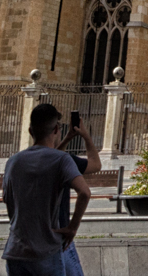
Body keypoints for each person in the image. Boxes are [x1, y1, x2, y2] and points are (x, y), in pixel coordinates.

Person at [2, 103, 92, 276]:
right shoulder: (61, 159)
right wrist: (72, 227)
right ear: (56, 129)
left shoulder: (13, 162)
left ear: (30, 131)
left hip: (16, 250)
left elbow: (7, 198)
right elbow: (84, 192)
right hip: (46, 250)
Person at [56, 115, 100, 276]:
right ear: (56, 130)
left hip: (26, 241)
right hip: (58, 236)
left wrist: (67, 138)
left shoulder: (18, 161)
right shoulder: (64, 161)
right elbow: (95, 165)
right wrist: (86, 136)